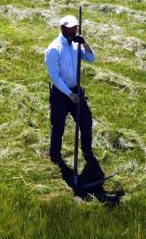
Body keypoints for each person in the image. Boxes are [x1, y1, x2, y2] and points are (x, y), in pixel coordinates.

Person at [44, 15, 104, 188]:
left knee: (86, 121)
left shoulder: (76, 44)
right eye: (69, 29)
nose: (72, 31)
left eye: (75, 28)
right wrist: (70, 95)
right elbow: (55, 76)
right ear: (62, 28)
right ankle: (55, 155)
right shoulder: (54, 49)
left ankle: (87, 151)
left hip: (76, 91)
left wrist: (85, 43)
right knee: (58, 126)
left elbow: (92, 59)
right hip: (61, 94)